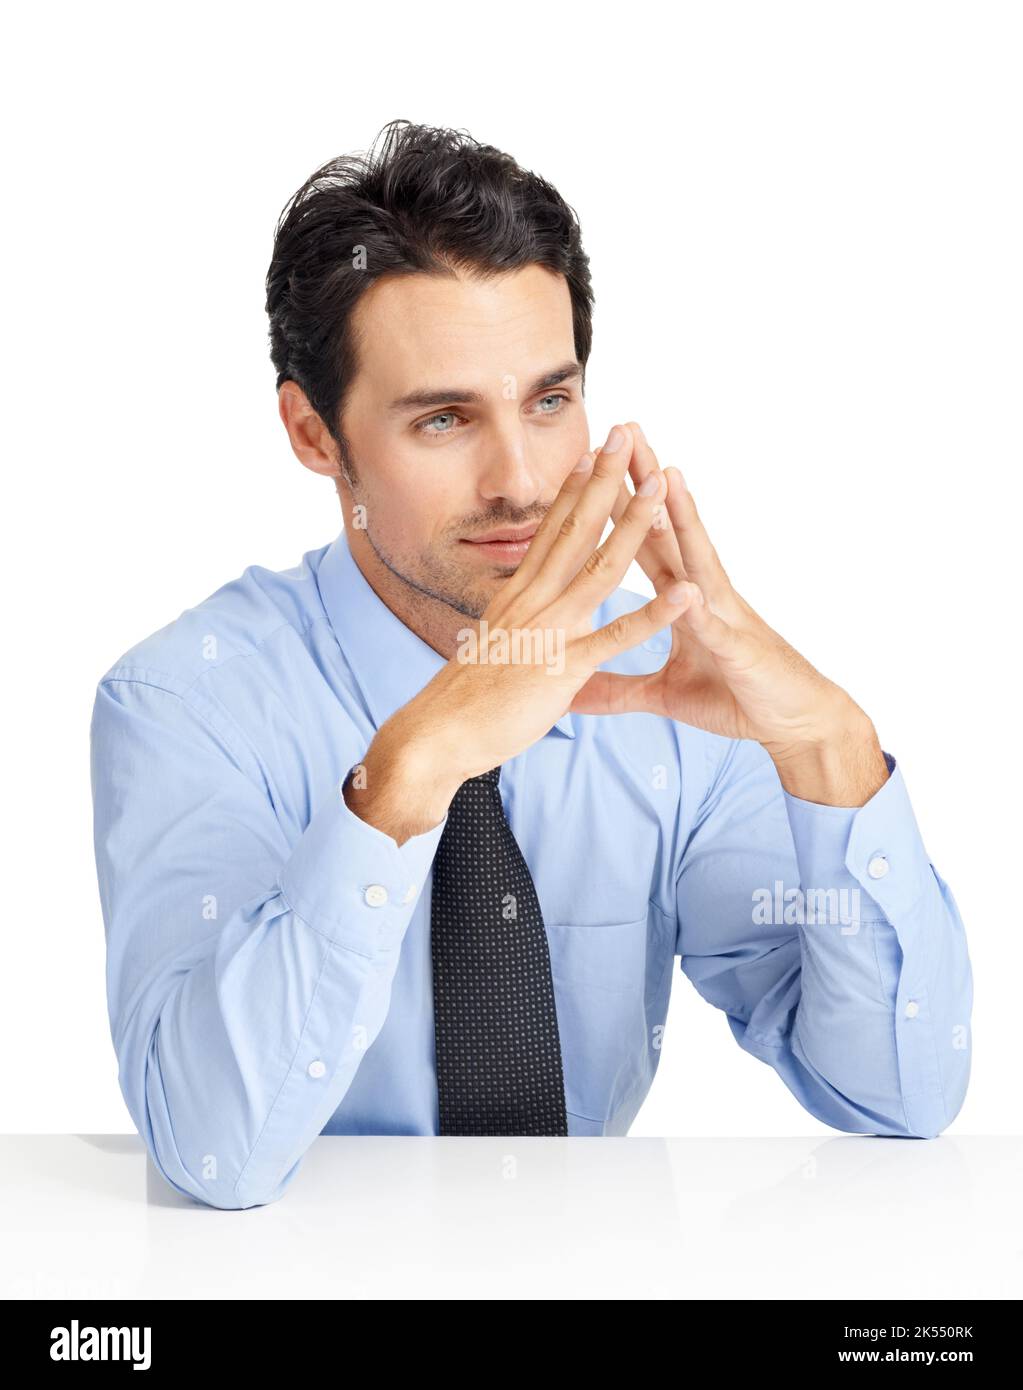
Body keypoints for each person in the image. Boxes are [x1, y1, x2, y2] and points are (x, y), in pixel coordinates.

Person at [90, 120, 973, 1211]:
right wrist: (408, 776)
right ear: (316, 435)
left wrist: (831, 750)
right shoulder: (190, 702)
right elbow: (210, 1152)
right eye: (446, 418)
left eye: (550, 402)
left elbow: (898, 1096)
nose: (520, 481)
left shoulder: (667, 684)